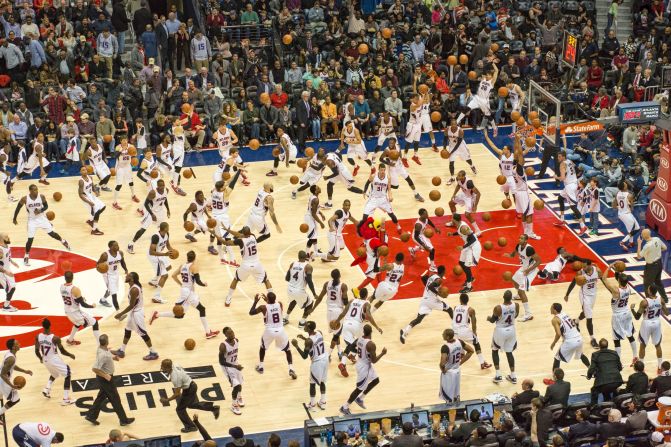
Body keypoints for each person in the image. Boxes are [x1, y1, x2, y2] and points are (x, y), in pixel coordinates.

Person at [149, 250, 219, 339]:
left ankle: (157, 314)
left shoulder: (182, 266)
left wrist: (181, 284)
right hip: (188, 293)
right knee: (201, 309)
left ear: (187, 257)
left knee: (180, 315)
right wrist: (204, 284)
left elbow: (173, 275)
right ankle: (208, 333)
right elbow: (197, 281)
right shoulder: (194, 267)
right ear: (194, 258)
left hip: (185, 291)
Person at [12, 184, 70, 266]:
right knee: (30, 239)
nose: (36, 191)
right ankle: (26, 256)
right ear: (30, 191)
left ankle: (63, 241)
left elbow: (46, 206)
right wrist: (14, 218)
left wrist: (40, 210)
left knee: (52, 234)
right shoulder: (25, 199)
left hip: (42, 218)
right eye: (34, 190)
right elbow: (18, 208)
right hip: (32, 220)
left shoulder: (41, 196)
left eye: (37, 189)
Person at [84, 334, 134, 426]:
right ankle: (123, 420)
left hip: (106, 378)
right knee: (115, 399)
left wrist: (113, 358)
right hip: (105, 379)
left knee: (101, 397)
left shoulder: (102, 348)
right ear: (107, 342)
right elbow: (94, 369)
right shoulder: (102, 355)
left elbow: (107, 354)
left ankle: (91, 416)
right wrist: (105, 375)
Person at [160, 359, 220, 433]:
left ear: (168, 368)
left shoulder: (175, 377)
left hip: (189, 389)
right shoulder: (175, 365)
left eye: (163, 366)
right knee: (191, 405)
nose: (161, 367)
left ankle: (191, 427)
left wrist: (167, 400)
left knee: (180, 409)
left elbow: (177, 394)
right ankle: (213, 408)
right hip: (191, 385)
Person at [221, 226, 274, 307]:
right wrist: (228, 230)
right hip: (257, 264)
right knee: (266, 280)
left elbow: (226, 243)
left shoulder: (240, 241)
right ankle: (272, 300)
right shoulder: (253, 236)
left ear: (243, 233)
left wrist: (215, 234)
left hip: (245, 265)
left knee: (236, 279)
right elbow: (239, 234)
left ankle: (228, 299)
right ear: (249, 233)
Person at [340, 324, 387, 415]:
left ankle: (360, 398)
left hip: (362, 363)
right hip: (364, 367)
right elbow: (374, 361)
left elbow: (352, 346)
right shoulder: (371, 344)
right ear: (371, 332)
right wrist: (382, 353)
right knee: (359, 389)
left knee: (376, 380)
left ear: (363, 332)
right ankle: (345, 407)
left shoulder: (359, 339)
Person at [111, 272, 159, 361]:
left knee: (143, 334)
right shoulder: (133, 286)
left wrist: (120, 314)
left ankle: (153, 352)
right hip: (134, 312)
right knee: (127, 330)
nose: (126, 276)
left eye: (128, 276)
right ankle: (122, 350)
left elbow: (131, 305)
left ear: (132, 279)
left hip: (137, 314)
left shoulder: (134, 290)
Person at [249, 292, 296, 379]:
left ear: (268, 299)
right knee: (287, 350)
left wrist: (255, 301)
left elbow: (251, 312)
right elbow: (273, 306)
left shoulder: (263, 307)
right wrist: (267, 299)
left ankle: (261, 366)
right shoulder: (280, 304)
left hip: (269, 331)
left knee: (262, 347)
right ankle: (291, 369)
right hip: (281, 331)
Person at [400, 266, 451, 344]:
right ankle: (457, 327)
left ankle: (404, 332)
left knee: (419, 319)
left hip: (425, 299)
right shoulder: (439, 280)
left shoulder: (432, 276)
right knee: (449, 309)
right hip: (432, 301)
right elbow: (431, 286)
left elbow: (423, 278)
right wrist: (438, 294)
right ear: (443, 272)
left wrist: (428, 288)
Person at [601, 265, 638, 362]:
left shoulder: (616, 291)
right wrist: (619, 270)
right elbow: (622, 278)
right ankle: (635, 356)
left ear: (618, 281)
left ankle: (618, 361)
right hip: (627, 313)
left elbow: (604, 278)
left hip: (618, 316)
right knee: (630, 335)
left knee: (616, 339)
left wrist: (609, 267)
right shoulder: (629, 288)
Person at [35, 318, 75, 405]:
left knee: (54, 374)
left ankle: (47, 389)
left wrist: (40, 359)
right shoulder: (55, 338)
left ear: (42, 326)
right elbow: (63, 351)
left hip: (45, 359)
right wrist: (71, 355)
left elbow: (36, 351)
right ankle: (66, 399)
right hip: (54, 359)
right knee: (68, 374)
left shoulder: (38, 336)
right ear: (50, 325)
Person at [291, 321, 328, 410]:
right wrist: (304, 338)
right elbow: (313, 342)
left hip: (317, 362)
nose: (304, 327)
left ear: (309, 328)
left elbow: (304, 356)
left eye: (306, 326)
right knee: (322, 381)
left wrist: (296, 346)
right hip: (325, 359)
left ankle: (312, 404)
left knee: (312, 384)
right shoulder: (319, 332)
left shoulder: (309, 341)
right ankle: (323, 402)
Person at [564, 259, 601, 347]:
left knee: (585, 313)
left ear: (590, 265)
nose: (583, 268)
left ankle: (576, 322)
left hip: (593, 295)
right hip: (585, 296)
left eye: (585, 266)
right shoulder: (580, 273)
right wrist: (567, 294)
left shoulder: (597, 270)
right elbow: (573, 283)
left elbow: (602, 278)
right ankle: (592, 339)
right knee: (589, 317)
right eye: (582, 266)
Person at [547, 303, 590, 379]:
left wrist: (554, 343)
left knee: (557, 358)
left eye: (551, 307)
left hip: (570, 341)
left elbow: (558, 333)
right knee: (581, 355)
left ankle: (555, 379)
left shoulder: (555, 319)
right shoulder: (565, 314)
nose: (550, 309)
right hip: (579, 338)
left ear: (555, 310)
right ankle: (592, 369)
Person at [504, 234, 540, 322]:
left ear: (526, 241)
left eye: (522, 238)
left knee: (521, 291)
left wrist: (528, 270)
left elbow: (539, 261)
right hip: (524, 268)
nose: (519, 239)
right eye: (519, 237)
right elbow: (513, 255)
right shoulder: (518, 246)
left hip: (531, 271)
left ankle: (528, 314)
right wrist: (509, 255)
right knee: (514, 279)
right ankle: (519, 296)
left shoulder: (529, 249)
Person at [632, 284, 667, 371]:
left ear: (650, 291)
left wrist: (632, 309)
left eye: (648, 289)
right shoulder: (661, 300)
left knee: (643, 345)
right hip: (657, 323)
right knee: (657, 345)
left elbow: (637, 317)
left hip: (647, 323)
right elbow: (666, 313)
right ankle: (659, 367)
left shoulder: (644, 302)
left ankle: (640, 368)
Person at [61, 270, 100, 345]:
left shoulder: (61, 287)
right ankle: (100, 345)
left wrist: (79, 299)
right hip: (75, 312)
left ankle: (70, 340)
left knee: (77, 324)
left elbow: (71, 298)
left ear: (64, 278)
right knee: (95, 323)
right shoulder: (75, 289)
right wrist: (92, 306)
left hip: (67, 311)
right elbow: (83, 304)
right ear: (73, 277)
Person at [452, 293, 491, 369]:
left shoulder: (455, 307)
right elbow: (474, 322)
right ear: (468, 300)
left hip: (454, 331)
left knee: (460, 341)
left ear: (460, 300)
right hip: (463, 331)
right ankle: (482, 363)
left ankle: (461, 354)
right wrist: (474, 332)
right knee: (476, 343)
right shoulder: (470, 309)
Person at [489, 290, 519, 384]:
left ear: (503, 297)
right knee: (509, 352)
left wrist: (488, 318)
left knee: (494, 350)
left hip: (501, 330)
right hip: (511, 330)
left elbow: (492, 320)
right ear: (511, 298)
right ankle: (513, 376)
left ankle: (498, 375)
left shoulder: (498, 308)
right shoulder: (516, 305)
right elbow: (516, 315)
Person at [554, 151, 587, 234]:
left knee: (573, 207)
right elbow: (579, 171)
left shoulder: (562, 164)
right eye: (558, 157)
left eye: (559, 157)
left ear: (563, 157)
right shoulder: (570, 161)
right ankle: (562, 220)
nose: (558, 158)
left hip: (570, 187)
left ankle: (583, 226)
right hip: (574, 183)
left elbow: (562, 178)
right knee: (560, 198)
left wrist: (556, 177)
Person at [439, 328, 473, 404]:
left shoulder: (445, 347)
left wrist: (443, 370)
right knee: (456, 395)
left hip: (449, 372)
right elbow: (471, 351)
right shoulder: (459, 342)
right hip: (457, 370)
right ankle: (458, 410)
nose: (442, 335)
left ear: (447, 337)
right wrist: (460, 362)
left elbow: (442, 363)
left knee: (448, 397)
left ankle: (450, 411)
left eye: (443, 334)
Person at [0, 339, 32, 418]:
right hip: (2, 380)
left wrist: (25, 371)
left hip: (2, 378)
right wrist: (12, 386)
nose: (19, 344)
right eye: (17, 343)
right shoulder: (11, 358)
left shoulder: (10, 353)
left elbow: (12, 366)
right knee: (15, 399)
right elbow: (3, 374)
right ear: (13, 347)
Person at [587, 339, 623, 404]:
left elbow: (592, 368)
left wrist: (588, 376)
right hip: (617, 380)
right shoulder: (614, 353)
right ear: (607, 345)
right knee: (608, 387)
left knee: (594, 390)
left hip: (604, 382)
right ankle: (615, 403)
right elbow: (620, 368)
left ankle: (594, 407)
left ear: (599, 346)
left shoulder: (595, 355)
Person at [637, 229, 669, 303]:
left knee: (647, 284)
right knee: (658, 282)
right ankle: (665, 299)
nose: (641, 235)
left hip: (651, 267)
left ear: (644, 236)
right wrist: (656, 251)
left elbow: (639, 256)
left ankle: (649, 303)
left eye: (642, 234)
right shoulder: (657, 239)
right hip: (659, 263)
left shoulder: (647, 246)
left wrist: (639, 244)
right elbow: (665, 248)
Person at [97, 240, 128, 309]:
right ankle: (118, 311)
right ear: (110, 247)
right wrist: (101, 269)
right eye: (115, 245)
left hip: (116, 274)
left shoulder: (120, 253)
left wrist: (126, 269)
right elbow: (98, 264)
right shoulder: (105, 255)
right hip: (108, 275)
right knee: (114, 293)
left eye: (117, 245)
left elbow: (122, 261)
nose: (118, 246)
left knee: (110, 289)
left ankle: (102, 300)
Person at [444, 119, 477, 183]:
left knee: (468, 159)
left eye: (455, 124)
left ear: (457, 124)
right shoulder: (447, 130)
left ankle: (472, 166)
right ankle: (452, 178)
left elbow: (458, 144)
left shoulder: (460, 131)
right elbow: (445, 140)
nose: (453, 125)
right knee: (451, 162)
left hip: (461, 147)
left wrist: (451, 152)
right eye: (452, 124)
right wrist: (444, 149)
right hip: (452, 146)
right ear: (450, 124)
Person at [77, 166, 106, 235]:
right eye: (83, 170)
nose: (85, 171)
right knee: (97, 212)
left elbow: (92, 187)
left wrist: (96, 192)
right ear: (80, 172)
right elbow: (80, 195)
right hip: (85, 198)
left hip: (91, 196)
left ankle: (91, 220)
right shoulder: (81, 181)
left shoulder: (90, 177)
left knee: (103, 207)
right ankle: (94, 230)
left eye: (85, 170)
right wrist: (89, 202)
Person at [614, 181, 640, 251]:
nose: (626, 184)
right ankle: (622, 242)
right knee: (637, 229)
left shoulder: (617, 193)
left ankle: (631, 243)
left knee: (630, 230)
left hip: (621, 214)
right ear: (624, 187)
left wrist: (620, 207)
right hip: (627, 214)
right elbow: (632, 207)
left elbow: (613, 205)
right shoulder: (629, 195)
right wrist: (630, 204)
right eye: (625, 184)